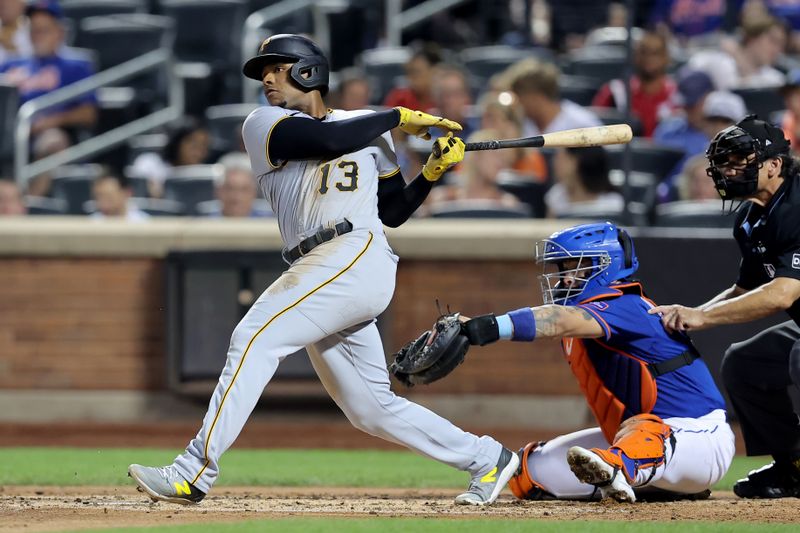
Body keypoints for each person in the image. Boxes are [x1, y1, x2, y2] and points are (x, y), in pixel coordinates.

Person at [127, 33, 519, 507]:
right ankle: (488, 459)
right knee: (370, 409)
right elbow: (325, 139)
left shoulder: (367, 128)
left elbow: (392, 210)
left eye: (278, 67)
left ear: (308, 71)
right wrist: (398, 116)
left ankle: (193, 471)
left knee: (254, 335)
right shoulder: (263, 123)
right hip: (319, 263)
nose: (268, 78)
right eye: (264, 71)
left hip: (355, 252)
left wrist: (432, 173)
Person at [444, 221, 734, 502]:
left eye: (576, 266)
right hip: (631, 438)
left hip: (699, 438)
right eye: (563, 267)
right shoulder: (586, 316)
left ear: (606, 266)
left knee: (645, 431)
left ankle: (630, 470)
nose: (565, 278)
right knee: (527, 474)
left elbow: (556, 321)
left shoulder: (627, 303)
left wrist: (488, 327)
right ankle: (650, 482)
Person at [649, 115, 800, 499]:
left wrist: (705, 316)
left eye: (739, 159)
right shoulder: (751, 218)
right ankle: (792, 466)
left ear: (774, 165)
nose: (728, 170)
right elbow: (745, 288)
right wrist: (691, 315)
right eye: (725, 161)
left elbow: (783, 293)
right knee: (744, 362)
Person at [0, 1, 97, 139]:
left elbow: (88, 113)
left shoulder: (76, 66)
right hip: (10, 136)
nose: (37, 36)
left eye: (44, 30)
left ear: (60, 32)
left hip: (48, 133)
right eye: (34, 30)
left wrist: (51, 121)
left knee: (52, 140)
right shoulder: (10, 63)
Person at [592, 31, 676, 138]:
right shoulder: (616, 92)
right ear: (635, 56)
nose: (649, 58)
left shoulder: (677, 95)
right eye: (643, 52)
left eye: (655, 53)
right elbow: (594, 128)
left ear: (666, 58)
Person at [687, 15, 786, 90]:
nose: (777, 49)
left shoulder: (775, 77)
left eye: (781, 44)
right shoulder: (722, 62)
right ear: (752, 38)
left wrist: (742, 62)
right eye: (773, 41)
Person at [510, 60, 601, 138]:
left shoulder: (581, 124)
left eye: (521, 97)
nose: (517, 103)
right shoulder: (520, 124)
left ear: (537, 97)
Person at [128, 117, 211, 198]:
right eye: (194, 144)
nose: (199, 152)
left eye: (204, 146)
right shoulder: (149, 163)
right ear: (177, 142)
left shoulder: (205, 177)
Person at [545, 146, 623, 218]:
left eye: (560, 158)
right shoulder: (556, 196)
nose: (554, 162)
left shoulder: (613, 204)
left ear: (575, 162)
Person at [209, 152, 272, 218]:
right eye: (230, 189)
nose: (237, 197)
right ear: (218, 191)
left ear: (254, 192)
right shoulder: (204, 224)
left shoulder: (270, 224)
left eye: (244, 190)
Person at [381, 42, 441, 112]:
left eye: (416, 72)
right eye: (409, 72)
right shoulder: (399, 99)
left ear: (434, 72)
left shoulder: (444, 100)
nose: (410, 78)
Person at [0, 0, 32, 64]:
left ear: (22, 6)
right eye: (2, 4)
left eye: (10, 3)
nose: (6, 7)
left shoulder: (31, 27)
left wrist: (11, 48)